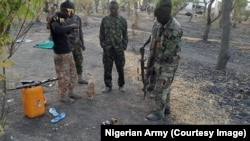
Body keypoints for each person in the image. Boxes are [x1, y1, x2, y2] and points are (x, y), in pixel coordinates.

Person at [145, 0, 183, 121]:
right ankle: (166, 108)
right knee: (166, 85)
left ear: (165, 16)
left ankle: (159, 113)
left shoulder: (175, 29)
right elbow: (158, 44)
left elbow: (167, 54)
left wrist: (154, 66)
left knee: (160, 87)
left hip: (168, 63)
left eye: (159, 17)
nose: (157, 20)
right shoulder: (163, 23)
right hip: (162, 61)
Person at [49, 0, 82, 103]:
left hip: (68, 51)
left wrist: (70, 29)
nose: (71, 14)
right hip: (60, 53)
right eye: (70, 12)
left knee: (73, 73)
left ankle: (70, 92)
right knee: (63, 76)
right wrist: (70, 27)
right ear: (64, 10)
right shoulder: (55, 18)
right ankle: (63, 96)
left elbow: (64, 32)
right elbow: (57, 29)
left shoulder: (62, 19)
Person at [99, 1, 128, 93]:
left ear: (117, 8)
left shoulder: (122, 20)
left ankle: (121, 85)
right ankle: (108, 85)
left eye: (115, 8)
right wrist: (103, 45)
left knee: (120, 68)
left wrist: (123, 46)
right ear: (109, 9)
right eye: (111, 8)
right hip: (107, 49)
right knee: (107, 68)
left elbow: (125, 35)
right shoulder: (105, 20)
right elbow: (101, 34)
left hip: (119, 49)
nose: (113, 10)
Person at [65, 0, 88, 85]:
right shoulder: (62, 19)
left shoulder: (78, 18)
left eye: (72, 9)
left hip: (77, 45)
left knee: (79, 61)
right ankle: (69, 81)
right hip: (67, 46)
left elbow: (80, 31)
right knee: (68, 64)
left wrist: (82, 43)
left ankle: (80, 79)